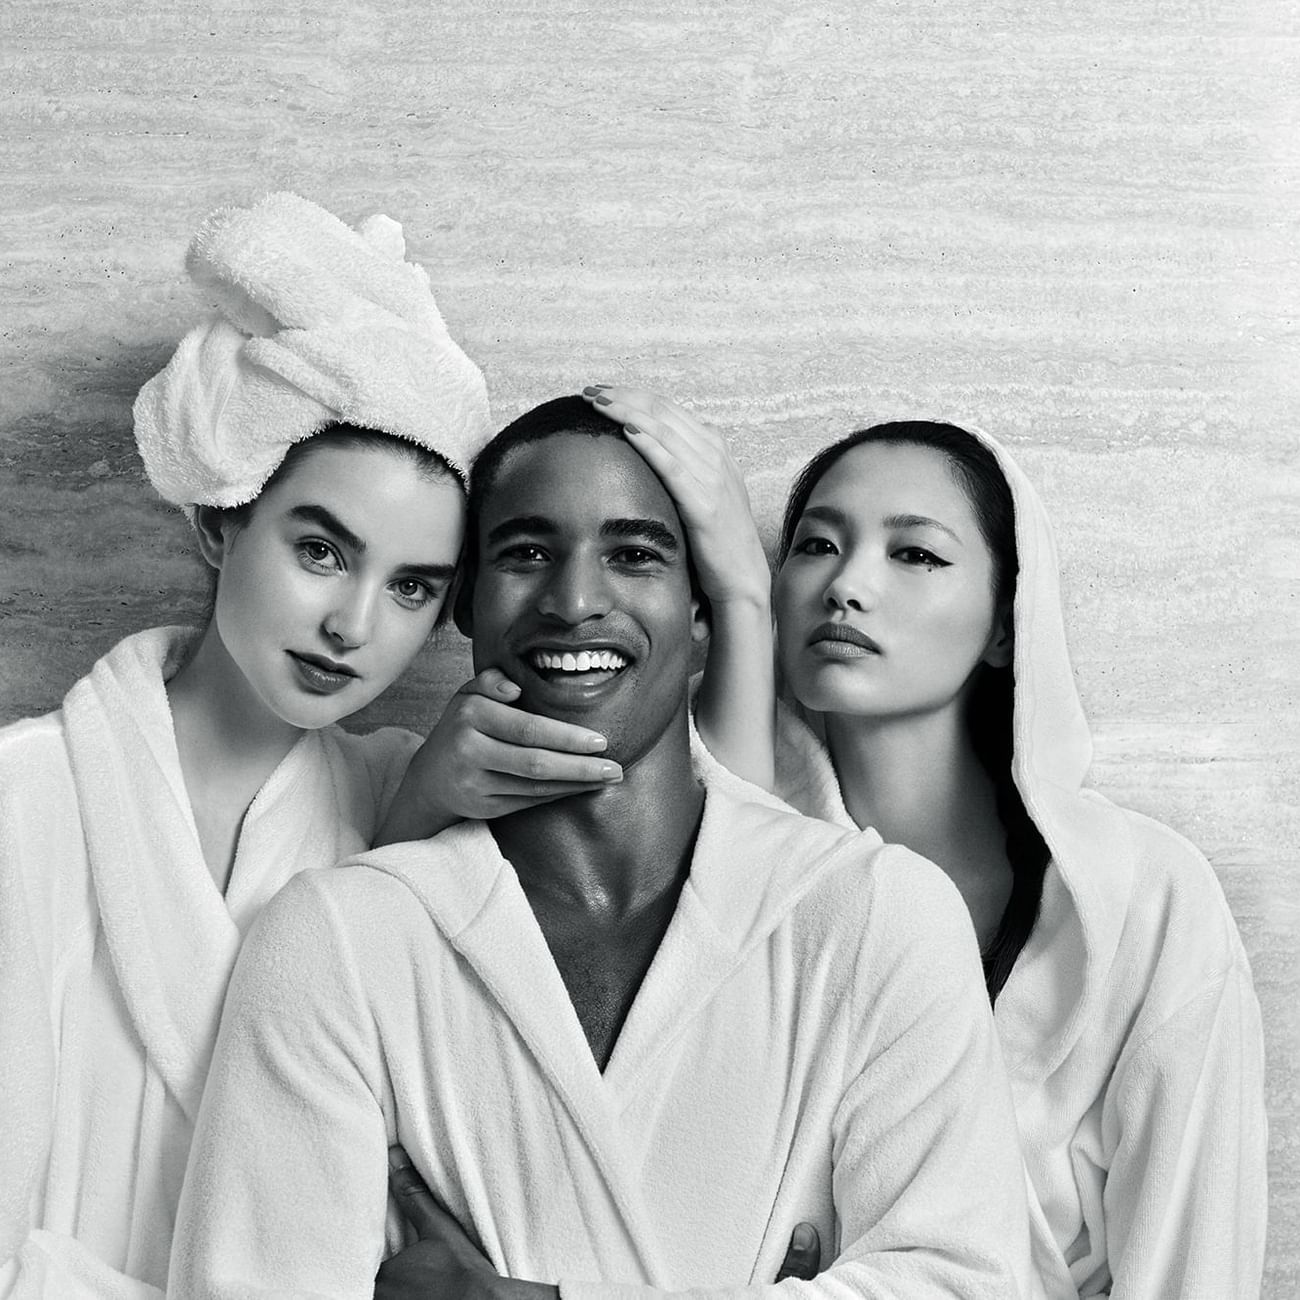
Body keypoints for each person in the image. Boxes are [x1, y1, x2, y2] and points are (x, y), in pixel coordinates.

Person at [169, 396, 1038, 1300]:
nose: (576, 601)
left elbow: (964, 1283)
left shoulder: (876, 917)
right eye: (527, 553)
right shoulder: (335, 943)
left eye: (633, 555)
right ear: (464, 601)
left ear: (701, 612)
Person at [0, 195, 615, 1300]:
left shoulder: (402, 797)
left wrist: (411, 826)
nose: (355, 625)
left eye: (414, 586)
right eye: (323, 549)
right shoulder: (26, 799)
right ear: (220, 516)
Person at [578, 389, 1269, 1299]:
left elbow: (1197, 1255)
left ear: (1007, 623)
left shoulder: (1142, 894)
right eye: (816, 546)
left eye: (915, 553)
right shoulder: (736, 870)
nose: (847, 585)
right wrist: (740, 591)